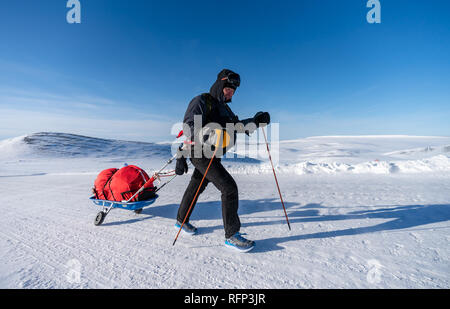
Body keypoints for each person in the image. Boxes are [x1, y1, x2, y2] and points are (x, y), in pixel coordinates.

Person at [174, 69, 270, 252]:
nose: (231, 92)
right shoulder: (202, 101)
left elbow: (238, 126)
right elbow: (189, 127)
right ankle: (232, 236)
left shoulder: (225, 109)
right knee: (229, 188)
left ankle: (181, 220)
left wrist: (257, 122)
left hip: (212, 156)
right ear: (220, 85)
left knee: (196, 186)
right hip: (200, 153)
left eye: (234, 91)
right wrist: (183, 153)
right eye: (228, 88)